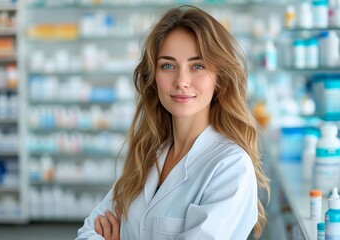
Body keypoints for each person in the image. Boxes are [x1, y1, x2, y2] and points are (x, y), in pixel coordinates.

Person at [76, 5, 270, 240]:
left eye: (197, 66)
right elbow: (88, 232)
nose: (181, 81)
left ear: (219, 79)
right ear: (153, 77)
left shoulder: (230, 166)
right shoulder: (148, 154)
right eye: (168, 66)